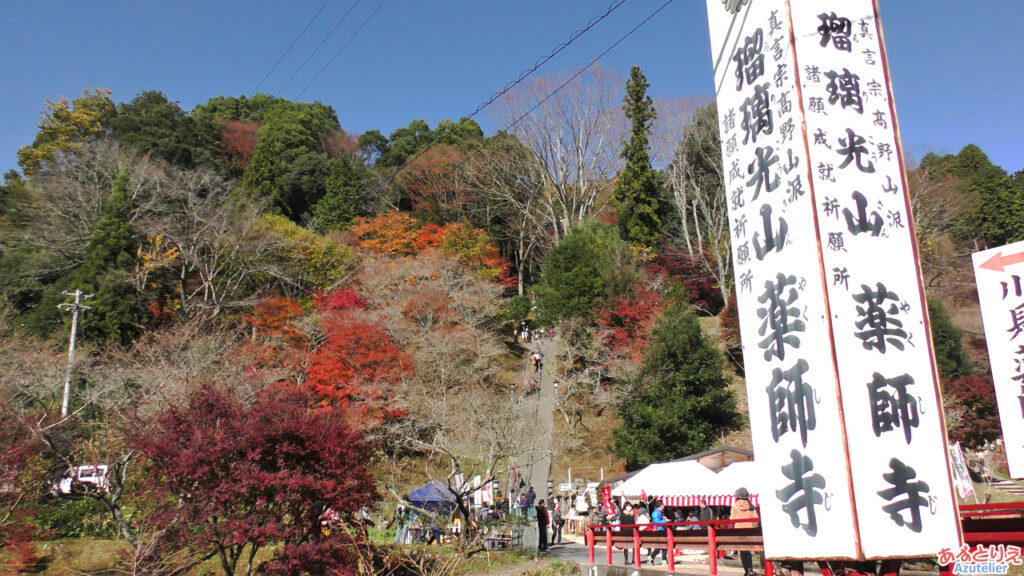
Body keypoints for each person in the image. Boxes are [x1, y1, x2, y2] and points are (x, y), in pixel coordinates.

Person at [730, 487, 760, 576]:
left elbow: (732, 519)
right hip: (750, 531)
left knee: (743, 552)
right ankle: (750, 569)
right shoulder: (751, 506)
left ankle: (746, 571)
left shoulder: (735, 506)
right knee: (748, 551)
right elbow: (755, 520)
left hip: (739, 531)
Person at [649, 500, 668, 566]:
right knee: (660, 545)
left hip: (662, 529)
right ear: (660, 505)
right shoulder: (655, 513)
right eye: (663, 504)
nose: (664, 506)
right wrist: (665, 521)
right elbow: (657, 522)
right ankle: (653, 556)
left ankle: (663, 559)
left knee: (664, 545)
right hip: (657, 530)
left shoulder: (661, 512)